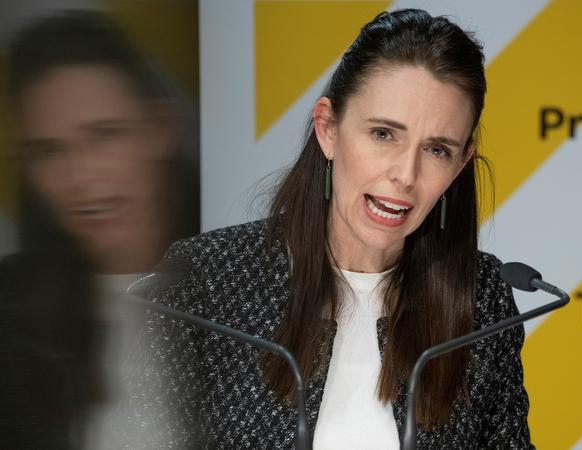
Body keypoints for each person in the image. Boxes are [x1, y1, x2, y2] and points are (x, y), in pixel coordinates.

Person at [143, 8, 533, 449]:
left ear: (461, 163)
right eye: (384, 134)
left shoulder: (484, 300)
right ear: (328, 128)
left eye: (438, 149)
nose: (405, 174)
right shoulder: (206, 281)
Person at [0, 10, 198, 448]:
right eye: (50, 151)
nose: (81, 176)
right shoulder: (10, 314)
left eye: (104, 135)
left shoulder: (255, 289)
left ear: (161, 129)